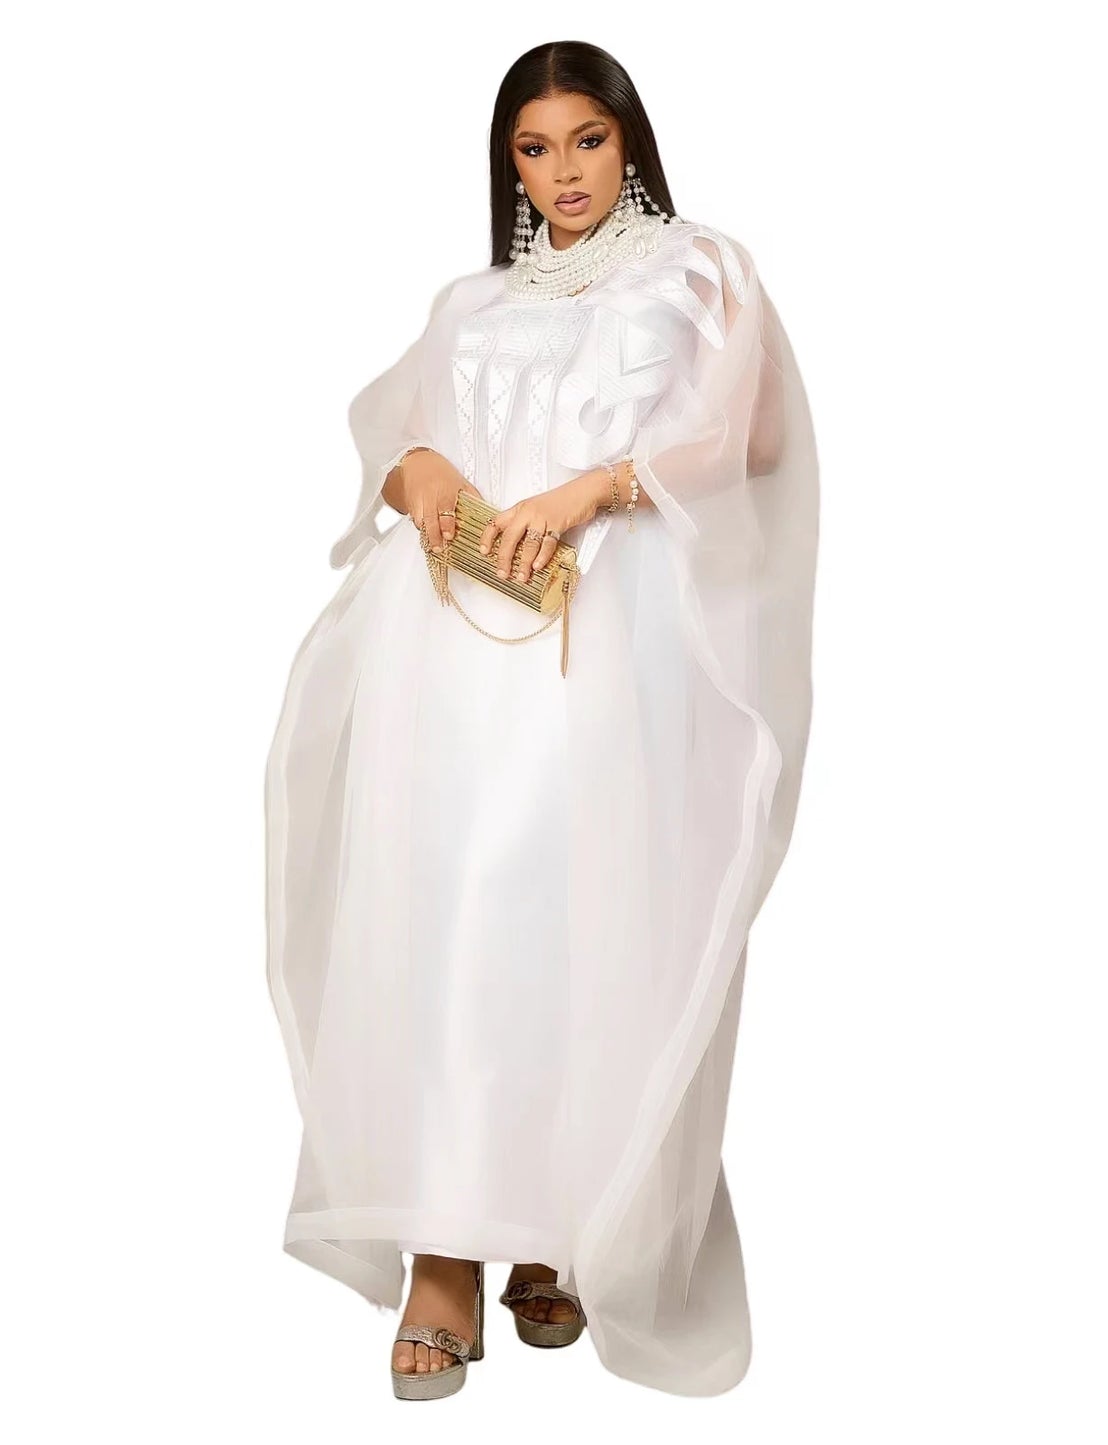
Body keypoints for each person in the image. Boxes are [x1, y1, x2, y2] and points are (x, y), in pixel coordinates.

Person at [264, 39, 820, 1400]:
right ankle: (446, 1254)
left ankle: (561, 1229)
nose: (562, 172)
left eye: (586, 140)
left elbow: (750, 439)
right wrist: (419, 474)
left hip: (614, 634)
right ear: (505, 163)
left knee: (581, 920)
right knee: (447, 918)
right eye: (533, 147)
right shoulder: (472, 300)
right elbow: (395, 433)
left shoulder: (695, 271)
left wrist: (591, 488)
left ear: (628, 140)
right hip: (451, 636)